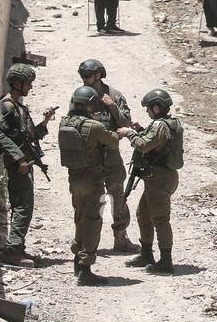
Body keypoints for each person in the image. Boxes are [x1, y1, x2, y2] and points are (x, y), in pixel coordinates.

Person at [0, 64, 56, 268]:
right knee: (22, 207)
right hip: (18, 166)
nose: (30, 87)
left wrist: (45, 123)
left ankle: (18, 247)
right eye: (27, 83)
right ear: (17, 83)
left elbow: (27, 137)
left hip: (24, 163)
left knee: (24, 207)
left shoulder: (17, 106)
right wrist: (19, 159)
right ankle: (12, 251)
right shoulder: (8, 106)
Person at [57, 85, 118, 286]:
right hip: (93, 180)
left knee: (80, 218)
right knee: (93, 222)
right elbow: (113, 141)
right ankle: (85, 269)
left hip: (74, 180)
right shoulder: (94, 126)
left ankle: (77, 259)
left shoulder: (64, 122)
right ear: (90, 105)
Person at [77, 59, 139, 253]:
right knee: (89, 198)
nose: (85, 80)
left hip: (111, 154)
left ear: (98, 74)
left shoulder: (114, 95)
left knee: (117, 195)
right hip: (89, 156)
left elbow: (126, 122)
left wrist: (112, 106)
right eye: (83, 77)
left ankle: (120, 238)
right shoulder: (81, 95)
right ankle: (84, 241)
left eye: (88, 76)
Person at [121, 89, 183, 273]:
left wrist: (128, 134)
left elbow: (145, 145)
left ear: (157, 107)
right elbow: (156, 143)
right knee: (143, 214)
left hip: (160, 178)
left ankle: (165, 260)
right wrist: (140, 130)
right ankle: (146, 254)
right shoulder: (165, 124)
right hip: (158, 177)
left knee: (160, 219)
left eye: (149, 108)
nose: (148, 111)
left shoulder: (160, 125)